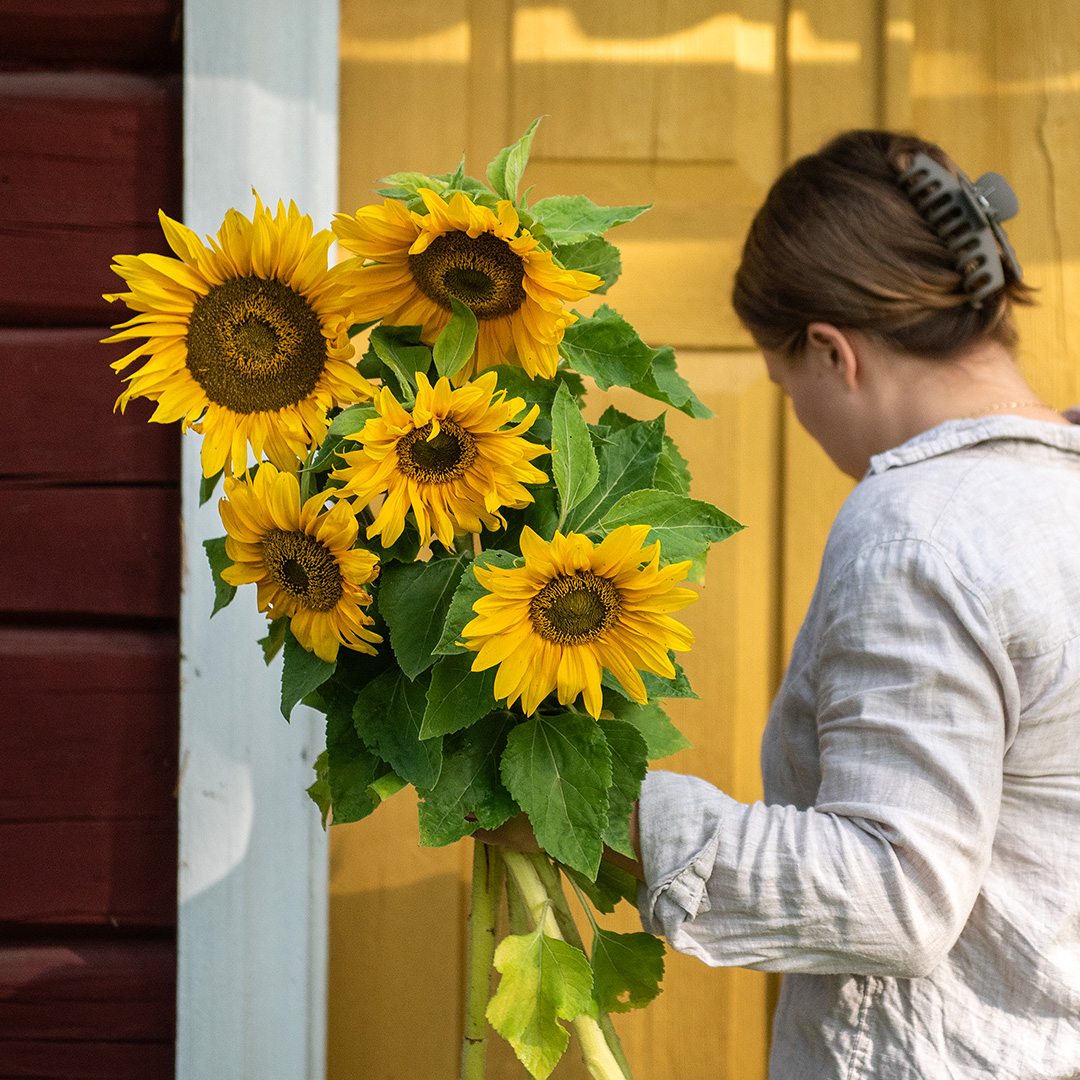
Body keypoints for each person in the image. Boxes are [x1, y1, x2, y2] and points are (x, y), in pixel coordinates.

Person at [478, 129, 1080, 1079]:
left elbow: (895, 893)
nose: (798, 414)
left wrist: (602, 812)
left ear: (833, 352)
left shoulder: (918, 529)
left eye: (785, 381)